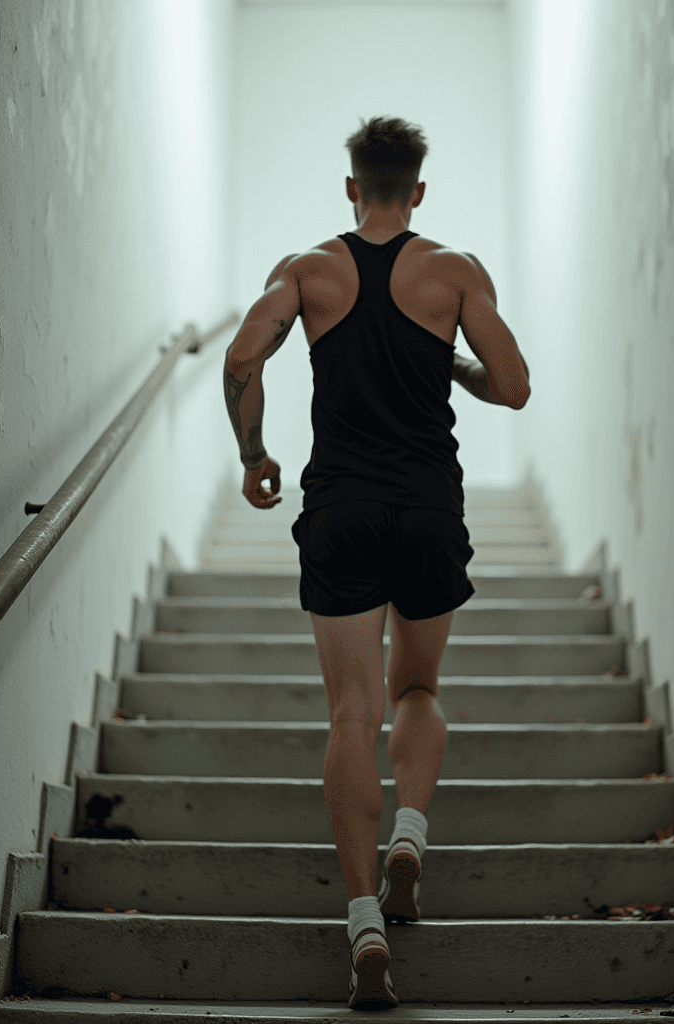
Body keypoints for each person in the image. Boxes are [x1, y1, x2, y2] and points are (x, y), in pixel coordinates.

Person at [221, 115, 531, 1010]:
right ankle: (408, 836)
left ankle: (362, 925)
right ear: (418, 193)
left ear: (352, 188)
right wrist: (453, 363)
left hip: (343, 509)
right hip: (430, 508)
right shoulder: (456, 272)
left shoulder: (307, 270)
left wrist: (254, 454)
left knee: (351, 713)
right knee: (416, 693)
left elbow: (244, 354)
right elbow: (511, 386)